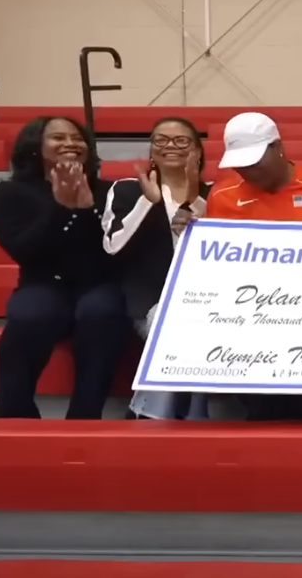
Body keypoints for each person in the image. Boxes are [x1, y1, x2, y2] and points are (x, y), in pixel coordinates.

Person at [207, 111, 302, 420]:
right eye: (240, 163)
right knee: (266, 415)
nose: (248, 170)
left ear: (278, 147)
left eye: (255, 161)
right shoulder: (221, 197)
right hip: (253, 317)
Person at [0, 116, 131, 419]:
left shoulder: (112, 191)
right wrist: (61, 208)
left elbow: (117, 250)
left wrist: (88, 210)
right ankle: (17, 419)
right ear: (35, 147)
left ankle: (85, 416)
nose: (70, 143)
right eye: (58, 138)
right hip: (43, 282)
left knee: (103, 312)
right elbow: (25, 251)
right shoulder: (11, 193)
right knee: (30, 315)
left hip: (100, 282)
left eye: (77, 138)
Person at [102, 117, 211, 420]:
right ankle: (186, 419)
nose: (169, 146)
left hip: (208, 301)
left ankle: (149, 415)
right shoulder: (126, 190)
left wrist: (203, 211)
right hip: (151, 299)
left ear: (198, 152)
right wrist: (147, 203)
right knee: (176, 331)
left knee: (200, 331)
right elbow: (113, 248)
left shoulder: (216, 194)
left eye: (181, 141)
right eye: (160, 140)